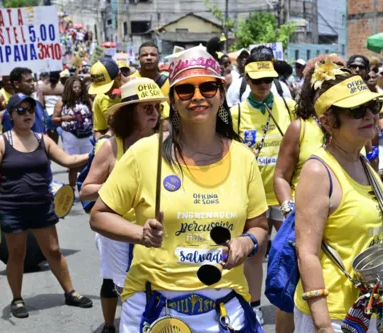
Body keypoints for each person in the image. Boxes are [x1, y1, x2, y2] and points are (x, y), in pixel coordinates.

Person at [90, 45, 268, 332]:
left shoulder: (243, 157)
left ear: (221, 94)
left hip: (227, 306)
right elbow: (99, 215)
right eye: (185, 90)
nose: (197, 97)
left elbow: (258, 225)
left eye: (208, 87)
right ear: (172, 100)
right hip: (155, 305)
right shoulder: (143, 154)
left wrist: (246, 242)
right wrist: (141, 234)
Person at [293, 70, 383, 333]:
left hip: (372, 307)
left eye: (373, 105)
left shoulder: (361, 160)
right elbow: (307, 254)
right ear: (328, 122)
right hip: (337, 316)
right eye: (357, 111)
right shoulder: (318, 171)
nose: (370, 115)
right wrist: (324, 326)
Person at [0, 93, 92, 319]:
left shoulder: (44, 140)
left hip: (41, 206)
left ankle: (70, 292)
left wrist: (95, 153)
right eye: (21, 110)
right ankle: (17, 298)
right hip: (12, 207)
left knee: (53, 251)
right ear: (11, 115)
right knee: (17, 254)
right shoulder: (1, 142)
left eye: (30, 110)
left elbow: (68, 161)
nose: (27, 114)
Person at [80, 78, 166, 333]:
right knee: (128, 289)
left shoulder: (166, 141)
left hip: (157, 228)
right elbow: (85, 191)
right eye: (146, 108)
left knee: (160, 284)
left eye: (156, 107)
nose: (154, 113)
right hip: (119, 233)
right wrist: (122, 190)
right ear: (129, 113)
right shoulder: (109, 147)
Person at [273, 57, 348, 333]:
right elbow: (281, 175)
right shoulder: (300, 128)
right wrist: (288, 207)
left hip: (344, 229)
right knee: (290, 298)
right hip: (304, 226)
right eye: (326, 85)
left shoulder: (355, 128)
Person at [230, 45, 296, 326]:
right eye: (256, 81)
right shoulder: (234, 114)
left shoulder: (289, 107)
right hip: (251, 198)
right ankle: (254, 305)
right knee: (254, 256)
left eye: (267, 80)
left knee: (290, 251)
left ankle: (290, 304)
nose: (262, 86)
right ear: (246, 80)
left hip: (283, 194)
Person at [52, 77, 93, 188]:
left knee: (89, 162)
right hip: (71, 135)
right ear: (69, 88)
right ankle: (72, 188)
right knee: (73, 164)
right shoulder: (62, 102)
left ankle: (86, 187)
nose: (77, 89)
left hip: (87, 135)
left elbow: (94, 114)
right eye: (74, 87)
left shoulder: (87, 100)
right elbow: (54, 119)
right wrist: (65, 118)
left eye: (79, 87)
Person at [130, 42, 170, 123]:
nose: (149, 57)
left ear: (159, 58)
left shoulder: (170, 83)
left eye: (153, 54)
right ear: (138, 58)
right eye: (145, 55)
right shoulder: (130, 82)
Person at [1, 67, 46, 134]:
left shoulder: (37, 104)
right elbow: (8, 139)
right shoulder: (11, 110)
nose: (32, 83)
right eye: (28, 81)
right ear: (17, 84)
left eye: (32, 80)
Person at [91, 58, 123, 139]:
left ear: (118, 77)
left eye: (107, 87)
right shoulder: (99, 99)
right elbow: (99, 130)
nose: (105, 92)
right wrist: (100, 142)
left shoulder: (136, 91)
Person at [39, 71, 64, 143]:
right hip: (60, 114)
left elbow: (41, 104)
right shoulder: (62, 87)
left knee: (52, 139)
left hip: (48, 114)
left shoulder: (43, 88)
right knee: (64, 136)